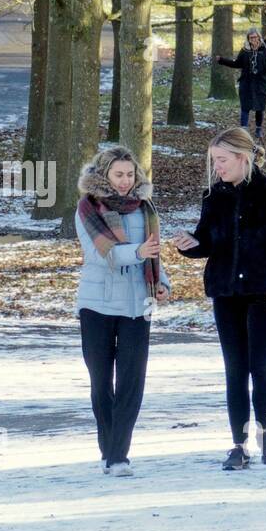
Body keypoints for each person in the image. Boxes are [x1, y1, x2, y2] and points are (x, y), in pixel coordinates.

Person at [170, 127, 266, 471]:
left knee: (261, 366)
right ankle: (238, 445)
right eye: (214, 161)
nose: (217, 168)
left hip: (264, 290)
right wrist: (192, 245)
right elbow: (209, 241)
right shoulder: (214, 196)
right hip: (226, 292)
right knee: (235, 370)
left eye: (222, 160)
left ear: (243, 158)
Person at [74, 145, 171, 478]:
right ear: (105, 175)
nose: (125, 181)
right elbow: (103, 255)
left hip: (137, 306)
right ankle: (109, 449)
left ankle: (118, 456)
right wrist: (139, 252)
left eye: (130, 174)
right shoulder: (88, 209)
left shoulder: (146, 209)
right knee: (102, 382)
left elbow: (155, 254)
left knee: (132, 382)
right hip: (96, 306)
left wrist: (162, 283)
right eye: (118, 175)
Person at [214, 28, 266, 140]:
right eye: (251, 38)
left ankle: (258, 129)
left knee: (259, 107)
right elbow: (237, 64)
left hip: (260, 83)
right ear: (248, 39)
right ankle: (244, 131)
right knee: (245, 107)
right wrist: (222, 60)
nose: (253, 39)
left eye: (255, 37)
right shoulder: (245, 50)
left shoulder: (265, 49)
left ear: (259, 37)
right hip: (246, 83)